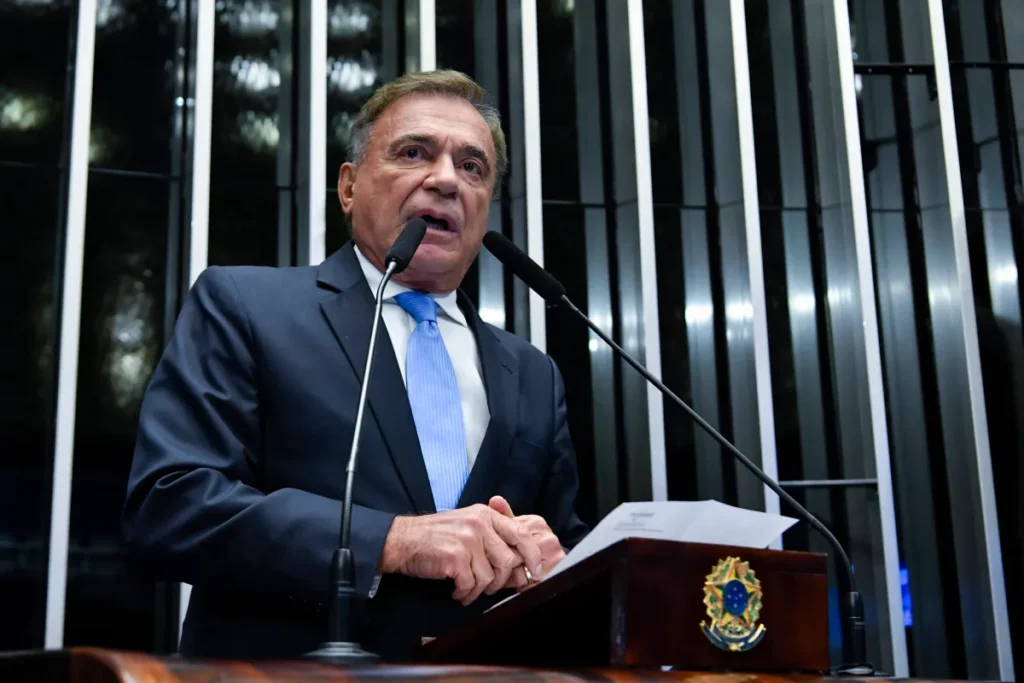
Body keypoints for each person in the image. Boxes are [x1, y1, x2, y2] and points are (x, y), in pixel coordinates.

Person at [122, 70, 589, 662]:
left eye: (472, 167)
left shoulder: (533, 373)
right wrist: (392, 541)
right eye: (414, 153)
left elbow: (569, 552)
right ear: (348, 186)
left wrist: (554, 563)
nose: (446, 179)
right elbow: (170, 507)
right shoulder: (246, 307)